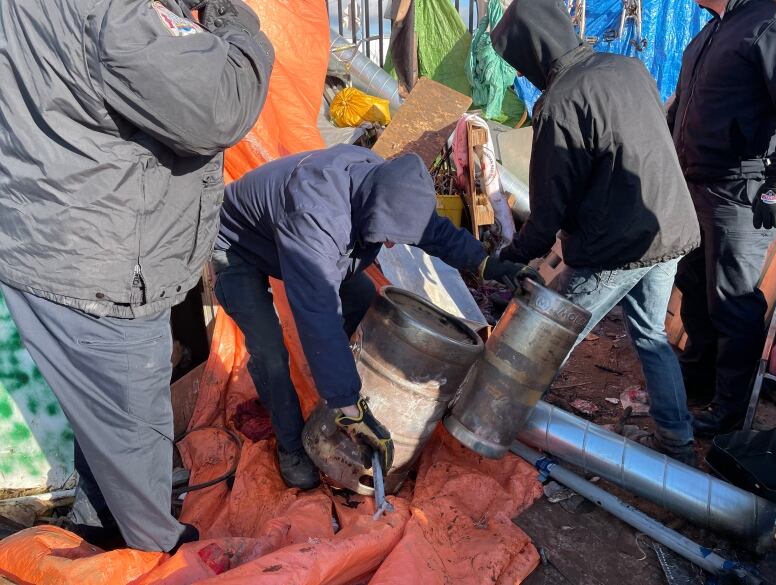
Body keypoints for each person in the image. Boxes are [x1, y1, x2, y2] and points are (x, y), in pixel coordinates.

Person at [0, 0, 274, 552]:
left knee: (100, 418)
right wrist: (233, 19)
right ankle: (155, 553)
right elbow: (220, 103)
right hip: (98, 262)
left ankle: (98, 527)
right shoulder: (113, 11)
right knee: (135, 437)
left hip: (48, 235)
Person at [212, 144, 540, 489]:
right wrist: (347, 405)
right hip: (236, 247)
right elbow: (318, 316)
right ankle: (293, 444)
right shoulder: (316, 218)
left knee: (366, 301)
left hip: (291, 236)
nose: (391, 246)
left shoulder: (389, 185)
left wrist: (485, 263)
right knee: (270, 353)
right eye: (385, 237)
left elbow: (433, 230)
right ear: (372, 213)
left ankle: (349, 397)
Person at [491, 0, 701, 464]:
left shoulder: (561, 101)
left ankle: (500, 423)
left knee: (550, 335)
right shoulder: (627, 67)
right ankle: (677, 439)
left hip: (617, 246)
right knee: (649, 333)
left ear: (531, 52)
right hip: (668, 226)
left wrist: (512, 254)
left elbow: (548, 209)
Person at [668, 0, 776, 436]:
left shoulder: (767, 24)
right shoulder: (706, 35)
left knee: (732, 301)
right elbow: (681, 110)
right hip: (694, 184)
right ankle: (698, 376)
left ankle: (730, 410)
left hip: (740, 189)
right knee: (693, 283)